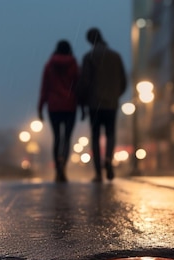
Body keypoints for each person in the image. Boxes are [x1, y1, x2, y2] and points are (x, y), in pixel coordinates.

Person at [78, 27, 127, 182]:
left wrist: (83, 102)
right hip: (111, 103)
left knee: (95, 136)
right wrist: (114, 95)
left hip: (94, 103)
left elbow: (84, 82)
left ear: (90, 41)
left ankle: (98, 172)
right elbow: (123, 80)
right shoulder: (116, 56)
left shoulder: (89, 57)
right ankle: (108, 160)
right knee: (111, 134)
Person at [38, 40, 80, 182]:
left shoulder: (49, 65)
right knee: (67, 138)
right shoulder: (74, 64)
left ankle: (57, 168)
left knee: (56, 137)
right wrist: (82, 105)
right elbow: (78, 86)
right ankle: (63, 166)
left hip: (54, 106)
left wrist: (40, 107)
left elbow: (45, 87)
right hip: (70, 106)